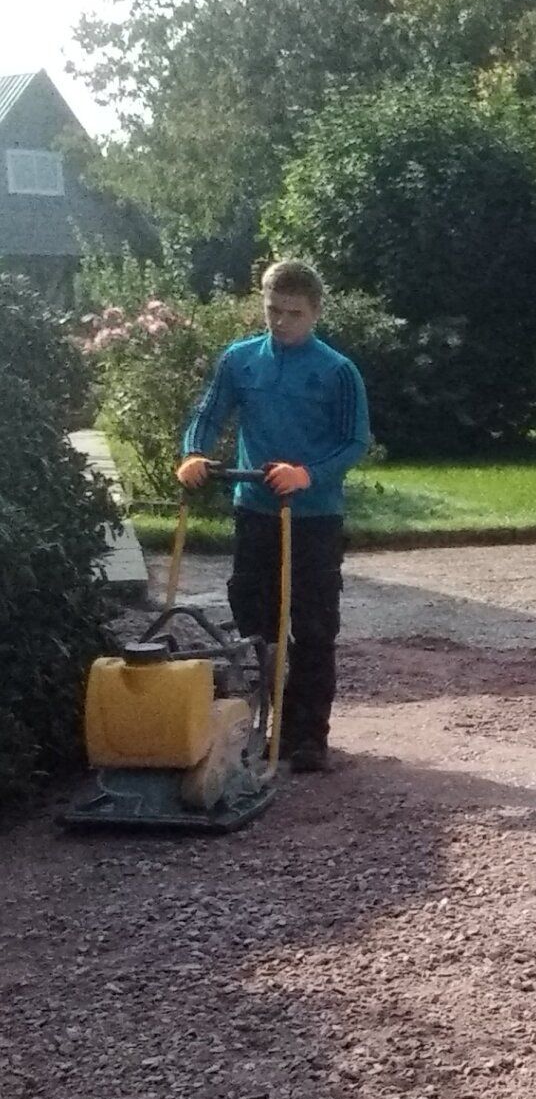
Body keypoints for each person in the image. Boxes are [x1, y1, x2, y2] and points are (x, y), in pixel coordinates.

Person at [177, 260, 370, 774]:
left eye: (294, 313)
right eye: (273, 310)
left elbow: (355, 443)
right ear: (261, 303)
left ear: (315, 313)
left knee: (313, 625)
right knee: (255, 618)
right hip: (256, 510)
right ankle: (268, 721)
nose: (282, 322)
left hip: (314, 518)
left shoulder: (337, 371)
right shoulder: (240, 360)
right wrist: (194, 452)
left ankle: (309, 735)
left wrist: (307, 475)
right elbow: (209, 412)